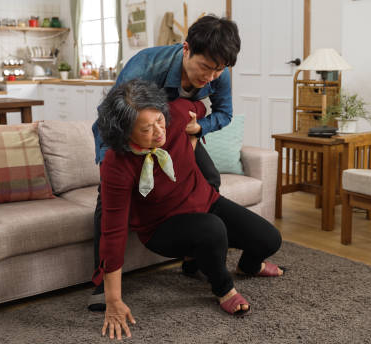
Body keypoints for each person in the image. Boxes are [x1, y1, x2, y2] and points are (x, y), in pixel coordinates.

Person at [95, 80, 284, 340]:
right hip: (162, 228)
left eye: (159, 120)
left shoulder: (178, 114)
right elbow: (113, 232)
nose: (158, 132)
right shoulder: (116, 165)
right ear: (125, 133)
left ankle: (248, 266)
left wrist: (197, 129)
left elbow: (199, 109)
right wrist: (113, 299)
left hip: (205, 202)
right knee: (212, 230)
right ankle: (223, 289)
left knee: (270, 239)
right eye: (146, 129)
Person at [89, 14, 242, 310]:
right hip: (137, 135)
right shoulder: (143, 68)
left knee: (210, 179)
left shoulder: (218, 73)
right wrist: (110, 168)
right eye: (206, 67)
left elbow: (224, 114)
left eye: (219, 70)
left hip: (174, 134)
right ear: (186, 49)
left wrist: (199, 129)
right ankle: (99, 284)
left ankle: (195, 257)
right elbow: (109, 119)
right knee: (105, 203)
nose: (211, 76)